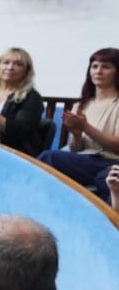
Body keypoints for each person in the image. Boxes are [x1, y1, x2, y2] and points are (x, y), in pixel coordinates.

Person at [38, 48, 119, 194]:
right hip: (85, 161)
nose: (98, 71)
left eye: (106, 67)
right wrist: (76, 134)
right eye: (94, 66)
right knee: (49, 159)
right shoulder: (81, 105)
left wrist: (86, 127)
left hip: (111, 162)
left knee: (48, 157)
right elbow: (75, 149)